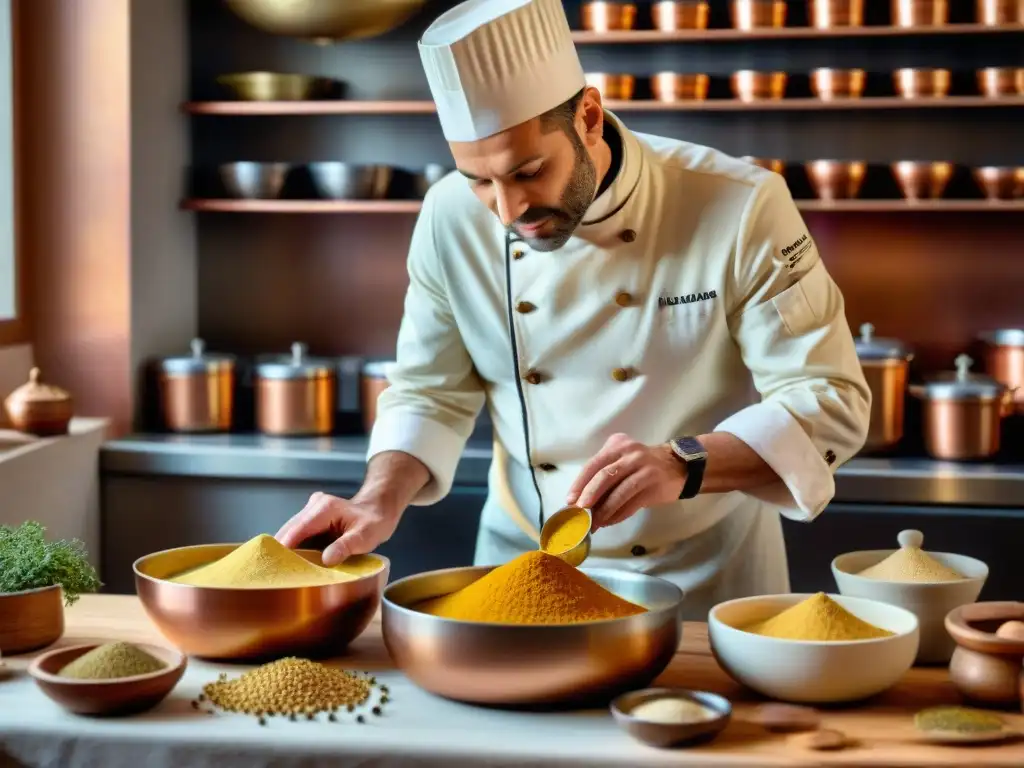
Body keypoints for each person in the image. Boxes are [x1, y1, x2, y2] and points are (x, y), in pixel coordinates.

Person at [275, 0, 871, 617]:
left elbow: (831, 400)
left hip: (705, 581)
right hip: (521, 568)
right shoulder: (449, 215)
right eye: (479, 180)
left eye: (528, 170)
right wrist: (377, 500)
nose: (506, 212)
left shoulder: (739, 205)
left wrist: (683, 463)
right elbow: (429, 391)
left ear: (588, 116)